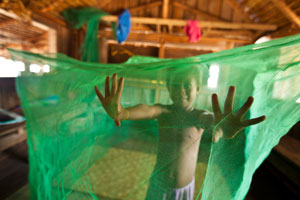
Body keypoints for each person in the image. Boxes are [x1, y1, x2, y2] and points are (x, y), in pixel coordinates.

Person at [94, 68, 266, 200]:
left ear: (197, 88)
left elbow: (210, 120)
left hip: (183, 191)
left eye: (187, 85)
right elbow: (147, 109)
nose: (181, 90)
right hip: (158, 185)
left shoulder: (198, 115)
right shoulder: (163, 112)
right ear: (168, 88)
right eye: (175, 85)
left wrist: (220, 129)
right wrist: (123, 112)